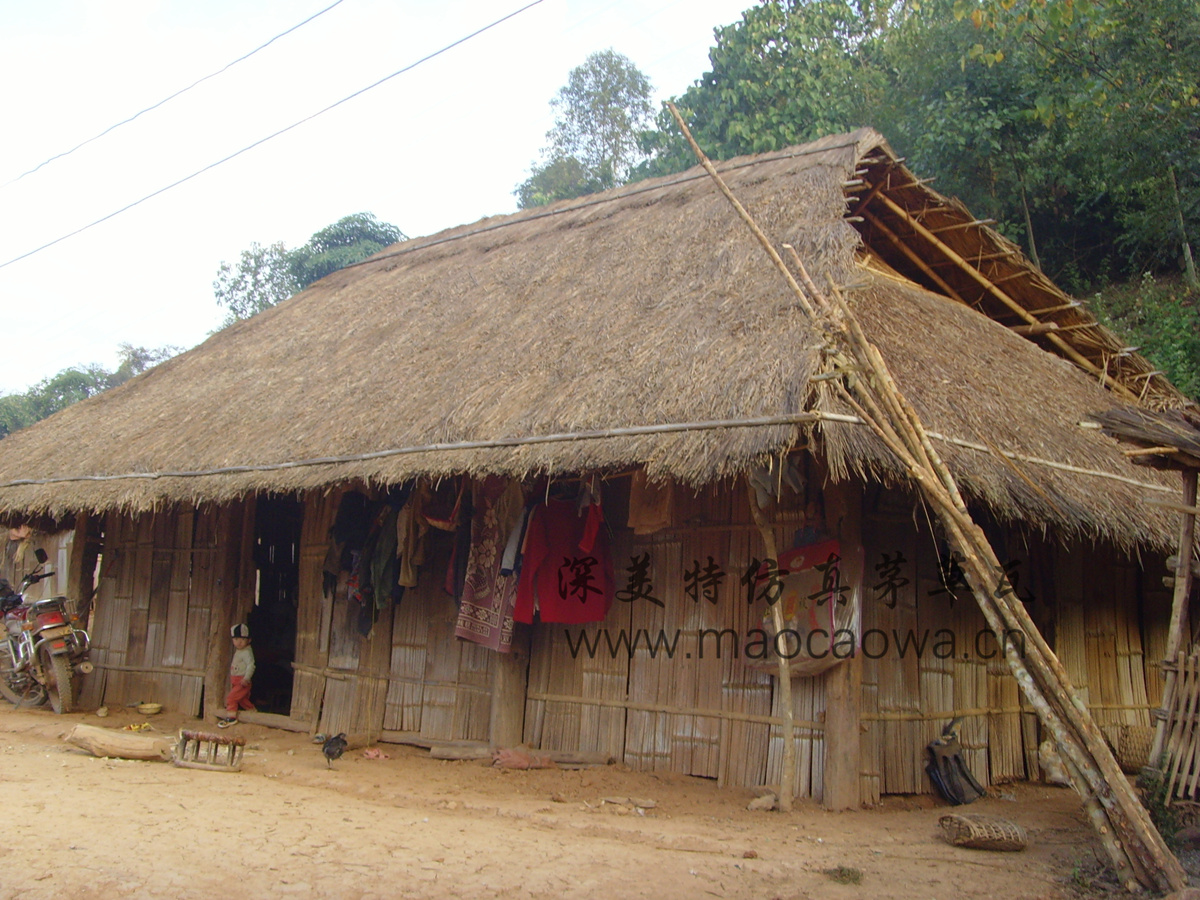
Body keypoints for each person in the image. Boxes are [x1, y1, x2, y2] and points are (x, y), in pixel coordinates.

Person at [217, 624, 255, 727]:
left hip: (242, 681)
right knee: (242, 700)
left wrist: (246, 678)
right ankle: (253, 712)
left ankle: (231, 718)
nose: (239, 642)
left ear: (249, 640)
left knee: (231, 698)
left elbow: (251, 666)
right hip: (236, 680)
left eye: (242, 639)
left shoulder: (247, 652)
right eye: (236, 639)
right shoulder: (240, 651)